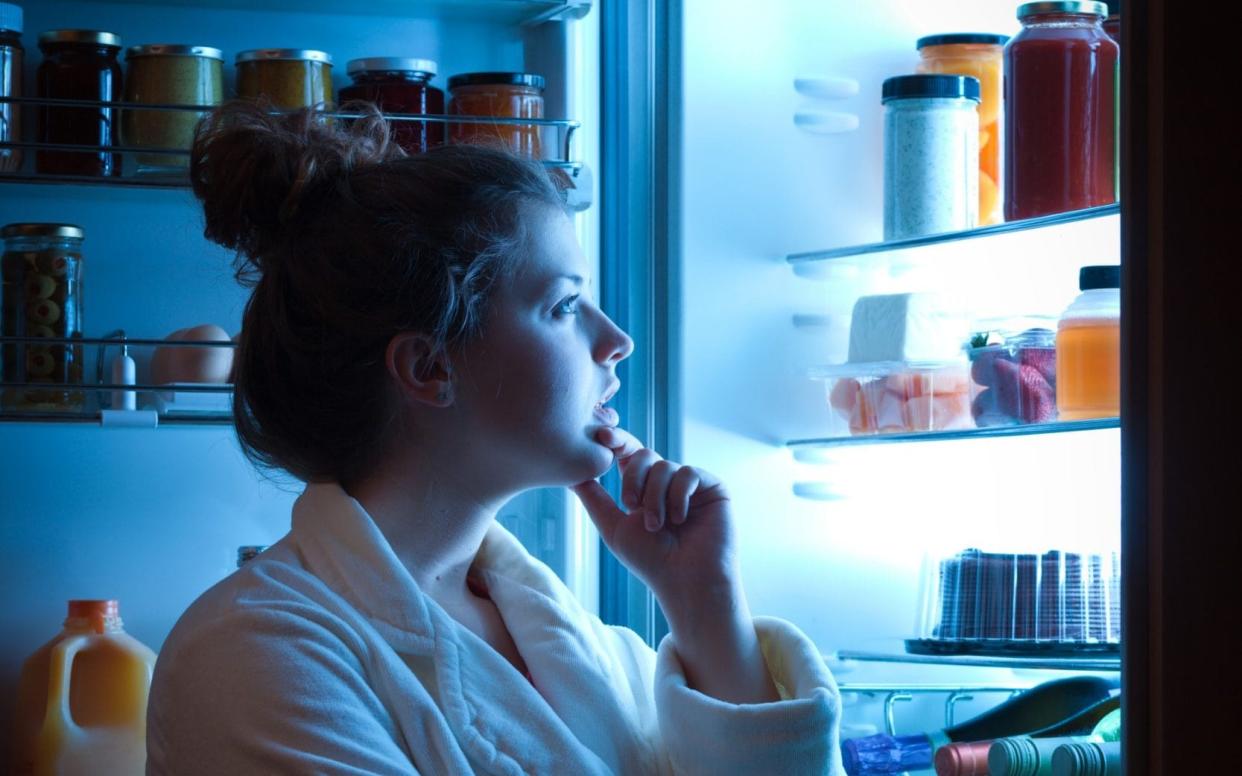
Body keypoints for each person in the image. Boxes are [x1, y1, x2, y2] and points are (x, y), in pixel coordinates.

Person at [146, 101, 844, 775]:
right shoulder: (253, 652)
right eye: (564, 306)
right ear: (430, 367)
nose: (615, 341)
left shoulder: (579, 642)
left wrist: (704, 605)